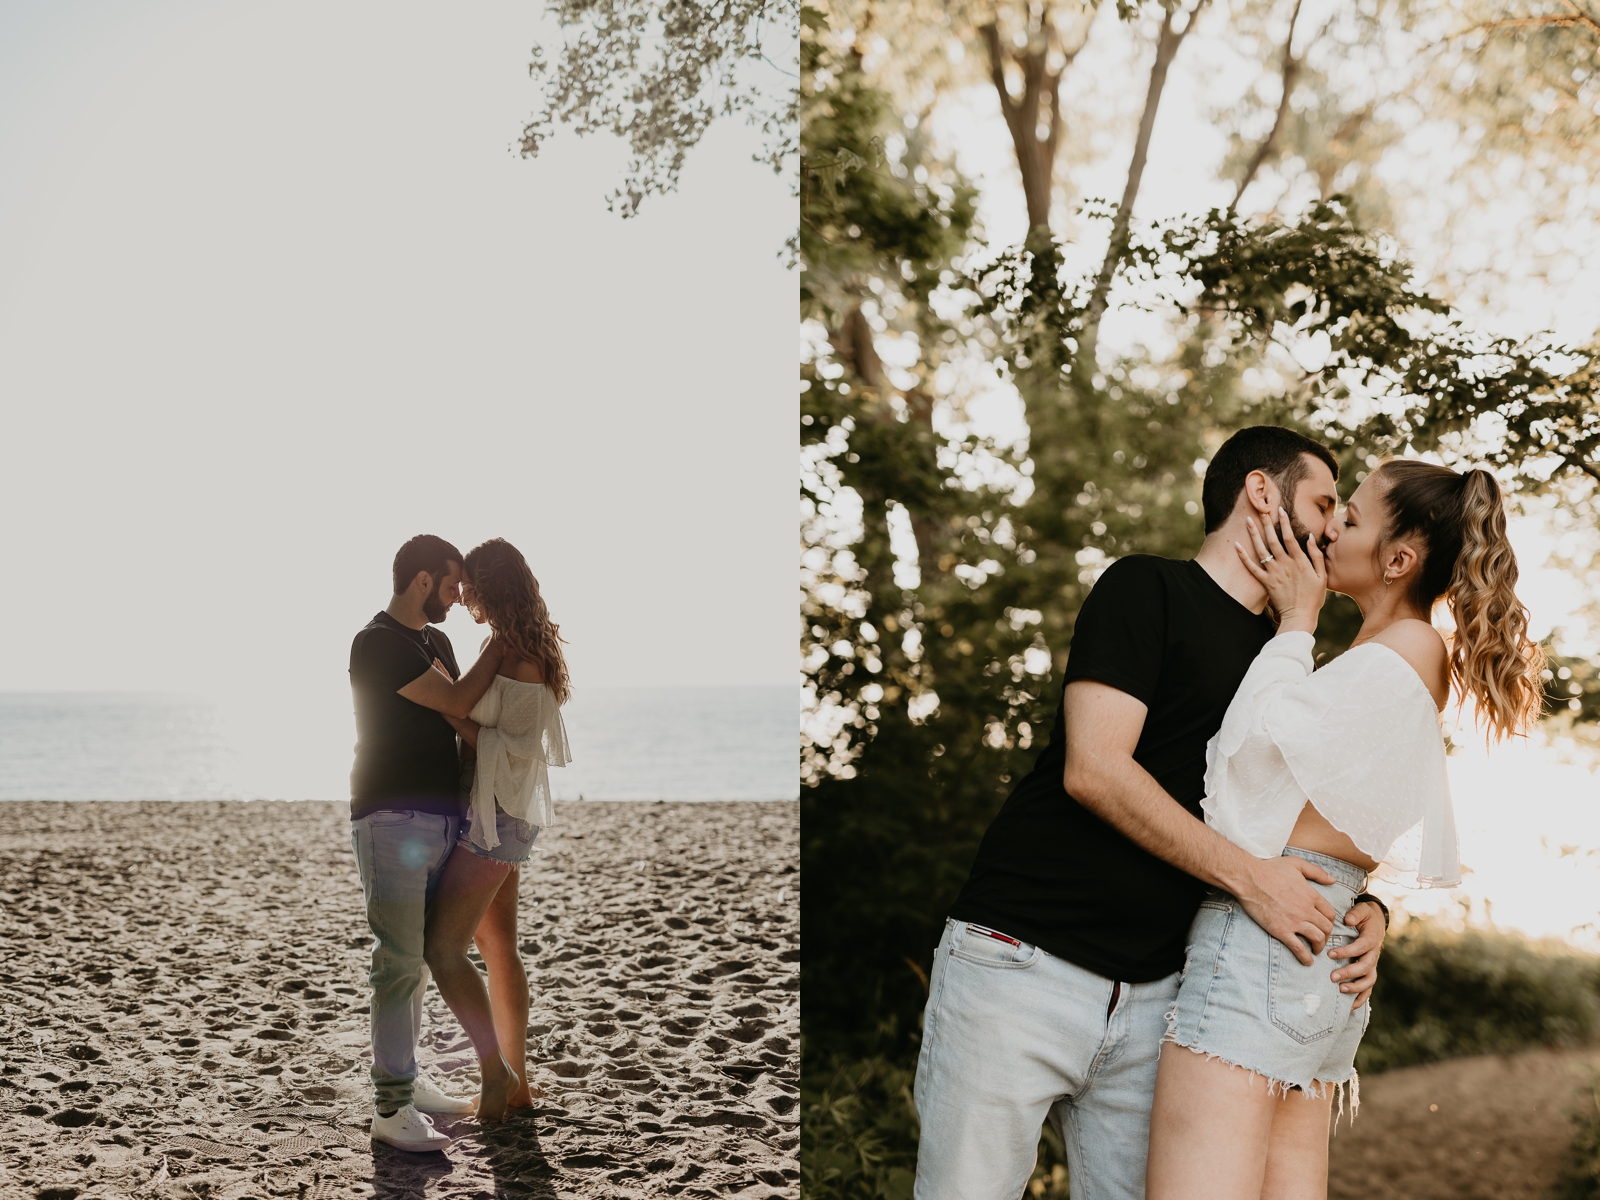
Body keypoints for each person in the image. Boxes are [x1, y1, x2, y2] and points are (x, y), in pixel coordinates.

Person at [912, 427, 1393, 1200]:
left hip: (1163, 1005)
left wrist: (1363, 906)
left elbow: (1297, 821)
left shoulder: (1292, 658)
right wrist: (1253, 882)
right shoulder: (1146, 588)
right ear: (1261, 494)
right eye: (1325, 501)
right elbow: (1095, 770)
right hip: (1022, 962)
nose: (1335, 525)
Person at [1146, 459, 1544, 1199]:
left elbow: (1238, 777)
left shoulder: (1403, 653)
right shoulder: (1399, 658)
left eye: (1351, 519)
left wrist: (1296, 621)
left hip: (1264, 933)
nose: (1330, 529)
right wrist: (1371, 907)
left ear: (1399, 560)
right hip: (1319, 932)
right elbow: (1346, 823)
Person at [348, 534, 511, 1153]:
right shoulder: (376, 643)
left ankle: (408, 1085)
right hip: (391, 816)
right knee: (396, 962)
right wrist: (500, 649)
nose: (456, 596)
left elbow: (462, 719)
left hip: (444, 820)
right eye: (449, 585)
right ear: (421, 580)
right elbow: (455, 700)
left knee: (416, 962)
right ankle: (390, 1109)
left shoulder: (437, 641)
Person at [422, 538, 572, 1122]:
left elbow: (509, 750)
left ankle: (498, 1077)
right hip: (500, 813)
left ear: (492, 587)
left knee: (442, 948)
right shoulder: (520, 646)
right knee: (498, 948)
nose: (462, 600)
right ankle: (518, 1085)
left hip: (496, 818)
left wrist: (442, 703)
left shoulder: (514, 651)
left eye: (470, 589)